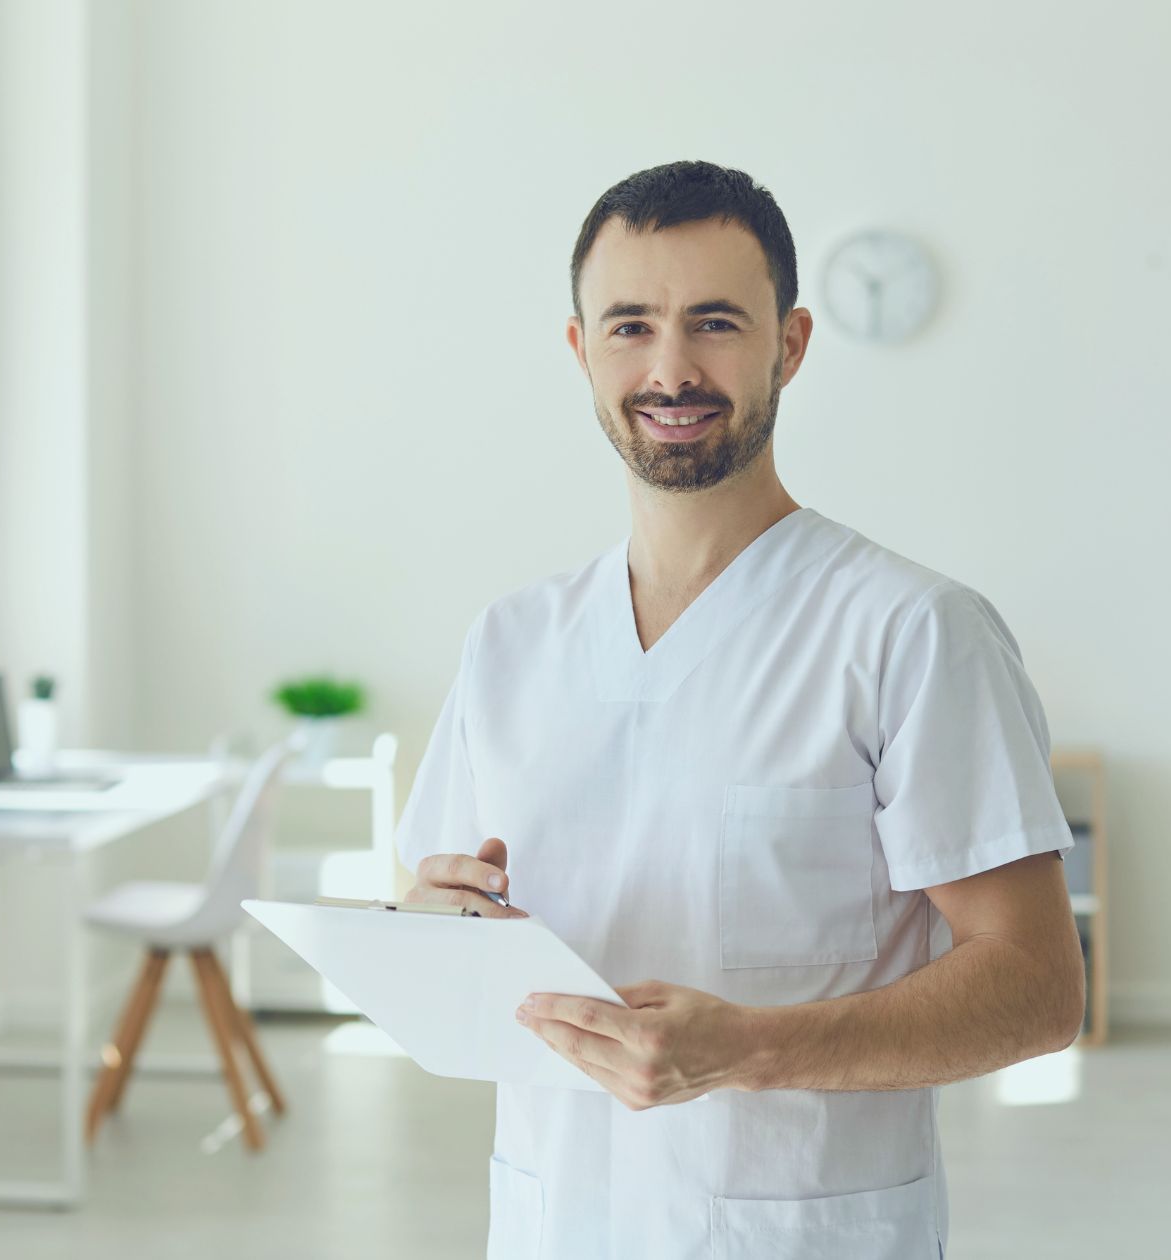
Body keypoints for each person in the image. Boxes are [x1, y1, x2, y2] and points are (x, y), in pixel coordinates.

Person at [395, 160, 1085, 1260]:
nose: (671, 369)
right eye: (628, 326)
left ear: (791, 344)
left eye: (713, 323)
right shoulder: (510, 643)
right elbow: (435, 920)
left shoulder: (909, 632)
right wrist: (432, 934)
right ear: (580, 351)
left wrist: (749, 1051)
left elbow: (1037, 990)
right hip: (553, 1223)